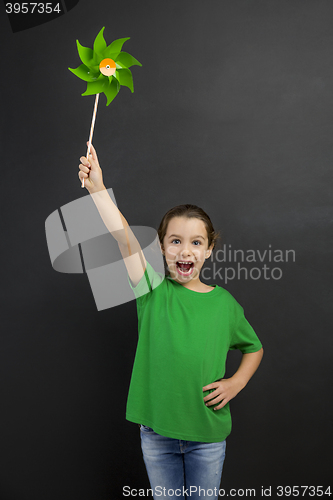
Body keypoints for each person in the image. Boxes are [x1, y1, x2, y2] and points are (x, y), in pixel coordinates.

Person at [78, 144, 264, 500]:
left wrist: (236, 383)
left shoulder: (224, 304)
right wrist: (96, 188)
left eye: (196, 242)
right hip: (157, 435)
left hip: (207, 437)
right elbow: (123, 238)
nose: (185, 251)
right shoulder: (152, 291)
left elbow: (253, 348)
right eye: (175, 241)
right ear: (162, 248)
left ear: (209, 250)